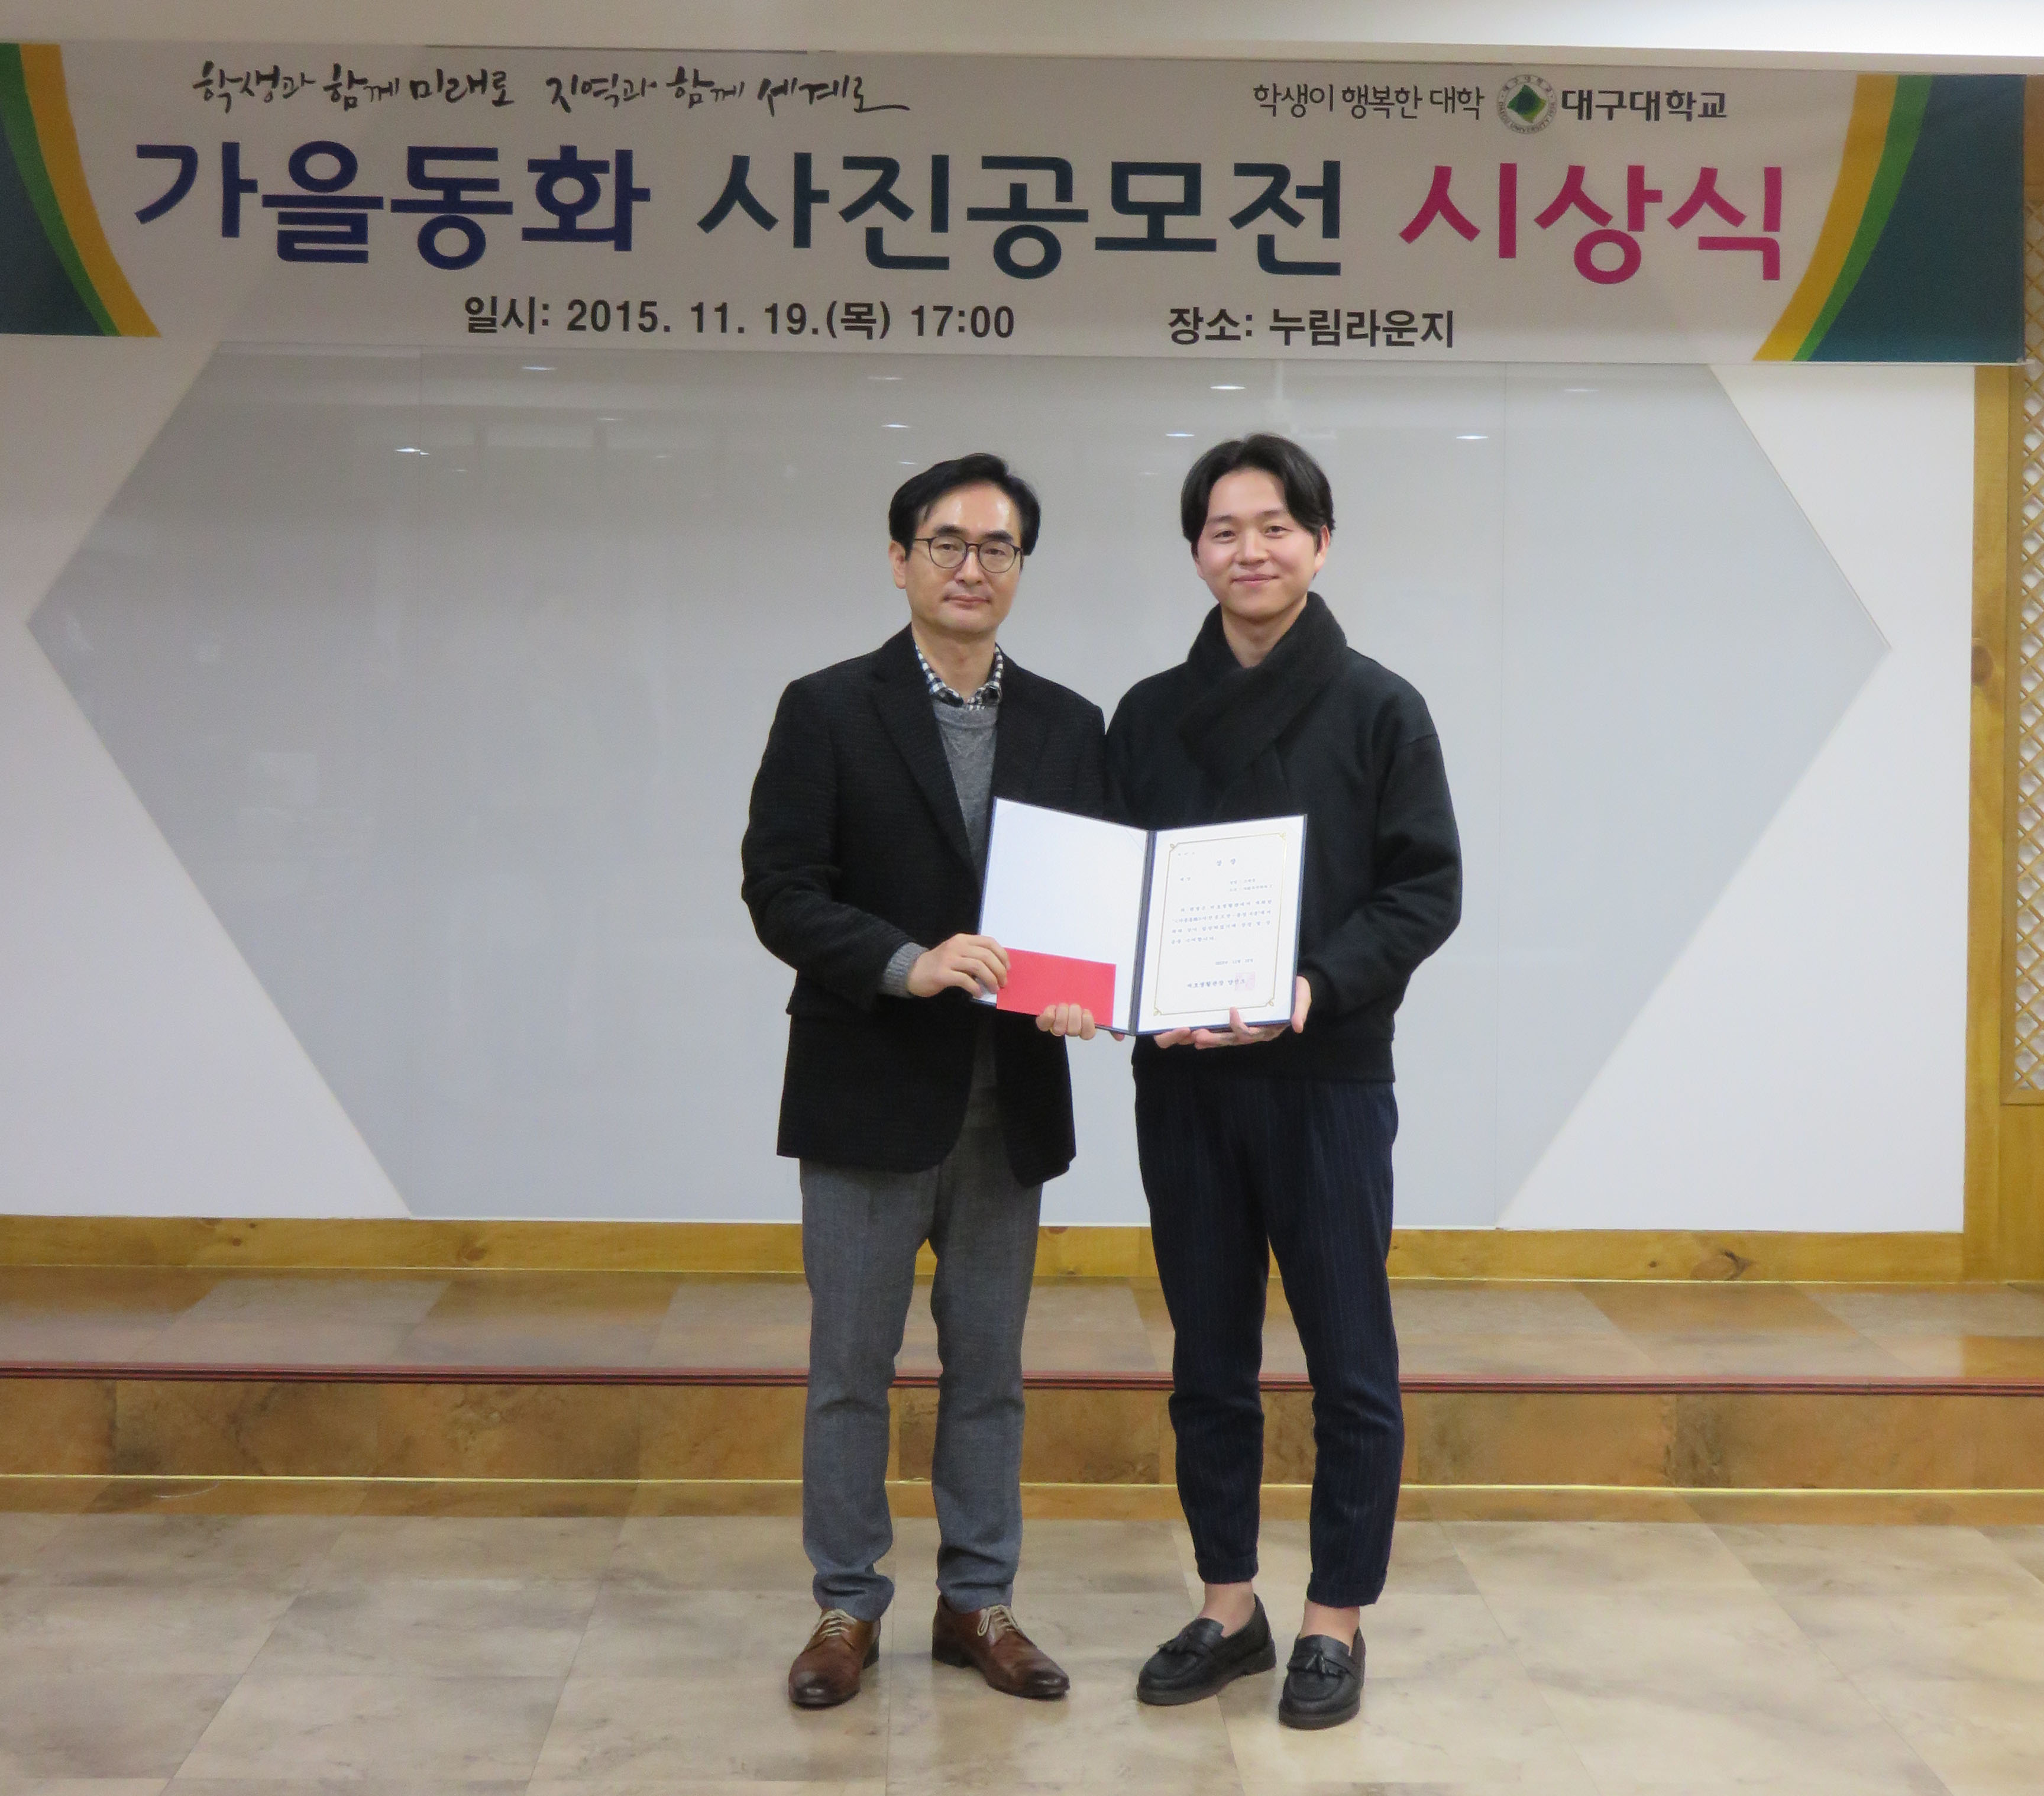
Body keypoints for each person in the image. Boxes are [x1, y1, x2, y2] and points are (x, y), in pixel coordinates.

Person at [1107, 434, 1460, 1730]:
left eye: (1273, 526)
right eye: (1222, 530)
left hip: (1327, 1075)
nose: (1248, 550)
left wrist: (1314, 985)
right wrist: (1093, 981)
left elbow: (1426, 890)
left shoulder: (1379, 706)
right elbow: (1110, 887)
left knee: (1349, 1357)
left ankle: (1334, 1618)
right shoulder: (1148, 714)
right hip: (1184, 1081)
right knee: (1208, 1353)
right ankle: (1229, 1604)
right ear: (1195, 553)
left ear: (1320, 541)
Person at [742, 451, 1105, 1711]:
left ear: (1021, 569)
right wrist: (907, 963)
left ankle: (978, 1602)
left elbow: (1093, 898)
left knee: (989, 1372)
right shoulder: (826, 709)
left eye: (997, 547)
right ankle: (846, 1606)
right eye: (946, 543)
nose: (971, 567)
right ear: (899, 559)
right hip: (868, 1089)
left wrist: (1093, 988)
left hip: (1013, 1099)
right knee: (851, 1370)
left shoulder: (1070, 723)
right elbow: (781, 891)